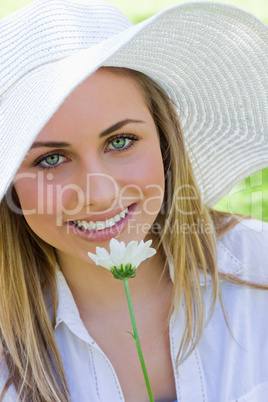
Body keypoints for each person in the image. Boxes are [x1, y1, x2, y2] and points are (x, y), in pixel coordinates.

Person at [0, 0, 268, 401]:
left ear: (164, 140)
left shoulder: (259, 268)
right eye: (50, 159)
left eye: (120, 141)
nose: (101, 193)